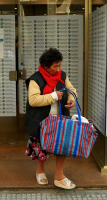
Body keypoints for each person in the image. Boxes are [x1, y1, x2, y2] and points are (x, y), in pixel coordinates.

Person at [25, 48, 77, 190]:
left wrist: (71, 99)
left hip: (60, 119)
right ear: (46, 66)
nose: (58, 69)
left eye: (60, 65)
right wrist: (54, 96)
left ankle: (59, 176)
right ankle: (40, 171)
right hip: (41, 120)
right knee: (42, 147)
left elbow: (71, 90)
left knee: (62, 147)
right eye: (55, 66)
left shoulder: (62, 76)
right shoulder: (35, 79)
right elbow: (33, 100)